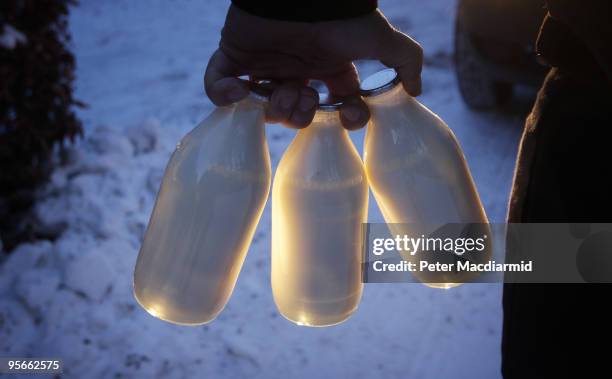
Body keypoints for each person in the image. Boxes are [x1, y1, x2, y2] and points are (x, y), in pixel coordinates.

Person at [204, 1, 612, 377]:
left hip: (590, 116)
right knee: (571, 315)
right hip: (592, 125)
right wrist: (300, 10)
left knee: (566, 329)